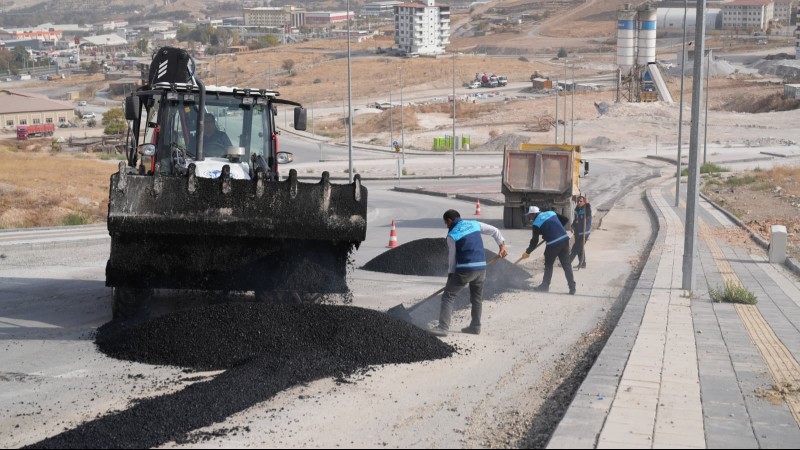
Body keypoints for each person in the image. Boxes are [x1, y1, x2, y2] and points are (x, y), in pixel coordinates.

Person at [428, 209, 508, 337]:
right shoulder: (474, 224)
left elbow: (452, 259)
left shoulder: (452, 235)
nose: (446, 226)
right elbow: (495, 231)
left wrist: (450, 276)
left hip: (465, 269)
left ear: (449, 220)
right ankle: (475, 327)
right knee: (476, 298)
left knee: (448, 296)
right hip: (482, 268)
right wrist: (502, 246)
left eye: (446, 223)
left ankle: (443, 327)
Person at [520, 206, 576, 295]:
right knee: (566, 265)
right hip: (564, 239)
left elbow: (534, 241)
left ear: (533, 214)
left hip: (553, 244)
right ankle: (572, 288)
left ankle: (545, 286)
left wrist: (528, 252)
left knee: (548, 265)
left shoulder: (536, 224)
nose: (530, 218)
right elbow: (565, 219)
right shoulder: (551, 213)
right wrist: (556, 229)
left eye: (530, 216)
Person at [570, 196, 592, 269]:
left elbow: (588, 212)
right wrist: (572, 226)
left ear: (584, 202)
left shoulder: (586, 209)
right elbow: (576, 220)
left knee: (575, 248)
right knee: (580, 248)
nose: (579, 202)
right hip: (577, 232)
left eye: (581, 201)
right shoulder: (576, 209)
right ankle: (582, 264)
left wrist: (587, 204)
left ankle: (567, 262)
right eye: (578, 201)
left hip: (584, 233)